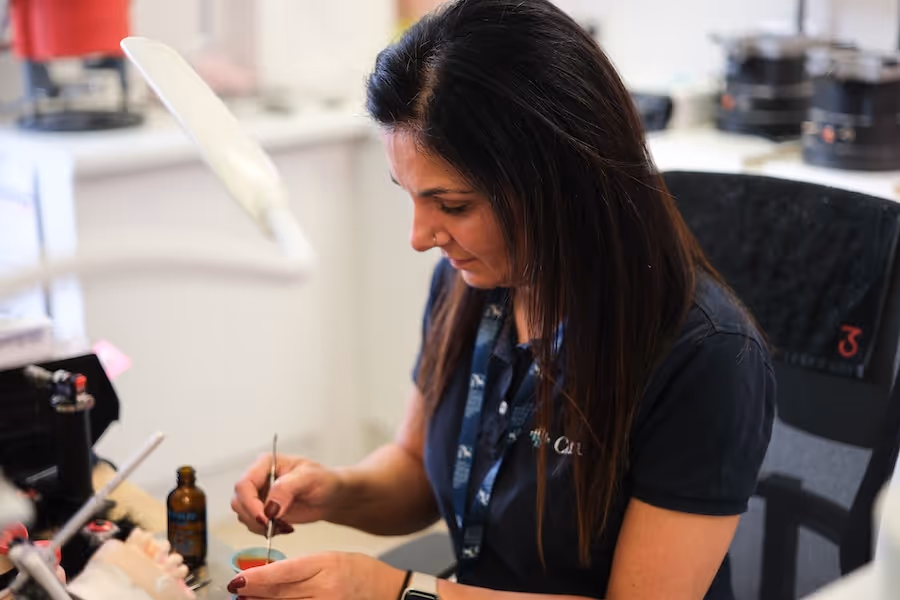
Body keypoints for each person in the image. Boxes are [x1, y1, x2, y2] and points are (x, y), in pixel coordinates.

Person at [229, 0, 775, 598]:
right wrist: (338, 490)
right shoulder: (470, 282)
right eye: (409, 197)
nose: (419, 238)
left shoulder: (707, 358)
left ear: (557, 185)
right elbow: (418, 469)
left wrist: (394, 590)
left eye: (453, 206)